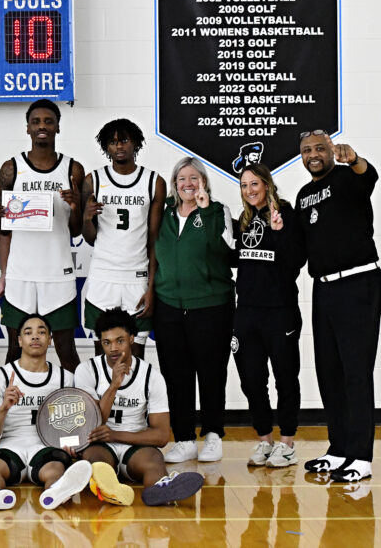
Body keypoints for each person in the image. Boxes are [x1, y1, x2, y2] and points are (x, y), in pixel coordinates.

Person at [295, 131, 381, 483]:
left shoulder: (348, 177)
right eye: (306, 151)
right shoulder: (303, 196)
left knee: (356, 372)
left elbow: (369, 177)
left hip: (358, 284)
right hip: (324, 289)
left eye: (319, 148)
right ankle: (339, 449)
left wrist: (356, 160)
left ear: (331, 151)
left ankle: (361, 456)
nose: (313, 155)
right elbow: (301, 248)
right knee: (329, 371)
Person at [0, 314, 92, 512]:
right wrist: (3, 409)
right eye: (28, 332)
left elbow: (78, 424)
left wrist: (73, 444)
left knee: (56, 470)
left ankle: (56, 492)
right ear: (19, 340)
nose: (35, 337)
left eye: (41, 332)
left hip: (46, 446)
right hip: (10, 446)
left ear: (50, 339)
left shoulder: (65, 379)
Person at [0, 99, 84, 373]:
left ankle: (80, 413)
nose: (42, 126)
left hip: (58, 274)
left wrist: (76, 206)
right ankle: (8, 413)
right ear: (28, 128)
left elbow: (76, 230)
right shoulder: (11, 168)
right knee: (15, 350)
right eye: (36, 122)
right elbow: (4, 228)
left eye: (48, 121)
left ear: (57, 127)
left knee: (67, 351)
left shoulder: (73, 169)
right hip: (20, 275)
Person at [74, 308, 204, 505]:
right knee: (95, 461)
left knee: (154, 461)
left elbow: (161, 437)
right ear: (101, 344)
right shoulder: (87, 370)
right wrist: (114, 385)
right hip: (100, 444)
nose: (114, 349)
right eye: (107, 343)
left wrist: (116, 435)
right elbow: (93, 423)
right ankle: (109, 489)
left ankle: (160, 490)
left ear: (132, 339)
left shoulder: (151, 376)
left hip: (134, 443)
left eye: (120, 340)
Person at [153, 157, 235, 464]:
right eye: (182, 179)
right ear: (174, 185)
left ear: (204, 182)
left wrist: (205, 209)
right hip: (169, 307)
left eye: (194, 178)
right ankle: (184, 437)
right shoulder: (164, 216)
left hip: (211, 306)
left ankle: (213, 435)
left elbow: (227, 252)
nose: (188, 184)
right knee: (176, 375)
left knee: (211, 372)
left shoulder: (218, 211)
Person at [234, 164, 306, 468]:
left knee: (285, 378)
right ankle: (265, 440)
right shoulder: (244, 220)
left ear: (267, 184)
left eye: (255, 184)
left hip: (280, 313)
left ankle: (287, 443)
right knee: (251, 380)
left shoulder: (287, 214)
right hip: (247, 312)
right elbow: (238, 258)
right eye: (244, 185)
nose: (250, 190)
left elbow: (296, 261)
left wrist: (278, 233)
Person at [82, 118, 166, 359]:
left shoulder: (153, 182)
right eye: (112, 142)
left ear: (136, 143)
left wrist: (151, 287)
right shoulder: (93, 180)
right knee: (102, 353)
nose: (119, 147)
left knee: (136, 353)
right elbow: (89, 238)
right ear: (105, 147)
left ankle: (135, 398)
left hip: (136, 277)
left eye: (124, 141)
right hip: (102, 276)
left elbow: (154, 240)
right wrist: (87, 219)